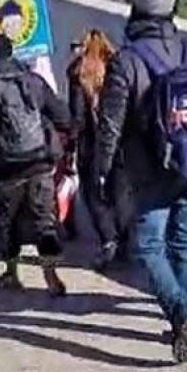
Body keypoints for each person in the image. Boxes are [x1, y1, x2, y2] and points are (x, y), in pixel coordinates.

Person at [96, 0, 187, 364]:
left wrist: (102, 170)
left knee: (148, 246)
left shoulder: (125, 61)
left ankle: (181, 313)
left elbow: (111, 123)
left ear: (138, 15)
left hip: (150, 167)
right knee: (185, 239)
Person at [0, 33, 74, 296]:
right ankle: (51, 276)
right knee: (44, 222)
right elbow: (63, 116)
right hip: (40, 162)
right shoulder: (33, 81)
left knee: (6, 223)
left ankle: (12, 273)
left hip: (6, 169)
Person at [68, 29, 133, 270]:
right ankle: (125, 241)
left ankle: (108, 240)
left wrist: (69, 142)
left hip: (91, 144)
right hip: (121, 143)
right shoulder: (119, 68)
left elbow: (77, 116)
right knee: (121, 193)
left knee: (93, 193)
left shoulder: (80, 73)